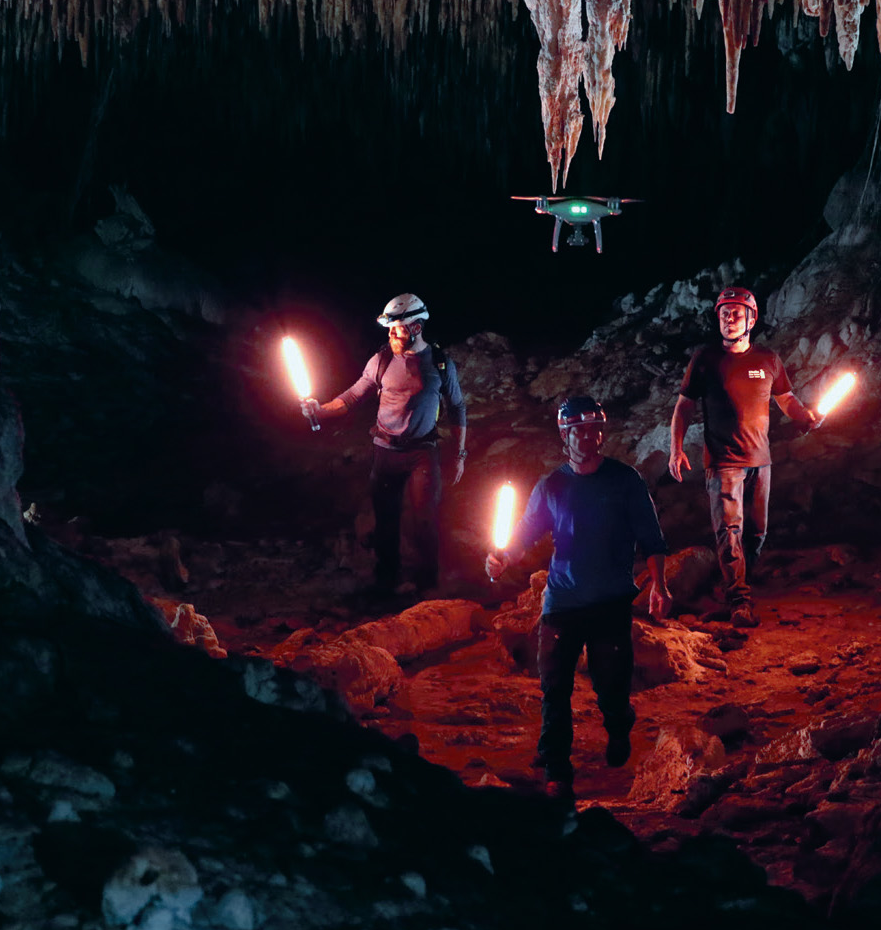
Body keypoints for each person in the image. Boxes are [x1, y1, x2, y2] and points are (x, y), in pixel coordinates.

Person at [485, 396, 671, 801]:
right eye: (579, 430)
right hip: (563, 602)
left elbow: (652, 539)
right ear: (564, 434)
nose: (588, 437)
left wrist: (659, 584)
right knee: (554, 688)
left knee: (611, 687)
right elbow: (525, 535)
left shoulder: (625, 481)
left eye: (594, 429)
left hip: (610, 603)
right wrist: (502, 558)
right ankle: (557, 770)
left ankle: (619, 725)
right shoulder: (552, 485)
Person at [667, 286, 821, 629]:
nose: (729, 319)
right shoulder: (705, 359)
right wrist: (676, 448)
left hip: (760, 461)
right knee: (730, 532)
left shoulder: (768, 359)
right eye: (724, 313)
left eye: (736, 313)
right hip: (723, 463)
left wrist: (807, 415)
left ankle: (735, 586)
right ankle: (739, 601)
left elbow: (787, 400)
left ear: (751, 319)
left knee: (756, 533)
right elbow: (684, 407)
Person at [303, 293, 467, 596]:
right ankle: (386, 580)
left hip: (422, 452)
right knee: (386, 519)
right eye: (390, 328)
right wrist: (321, 410)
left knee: (425, 521)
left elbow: (457, 407)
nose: (391, 333)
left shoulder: (441, 364)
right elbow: (353, 396)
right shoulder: (381, 360)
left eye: (398, 328)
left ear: (417, 328)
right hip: (386, 451)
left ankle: (426, 586)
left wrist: (459, 454)